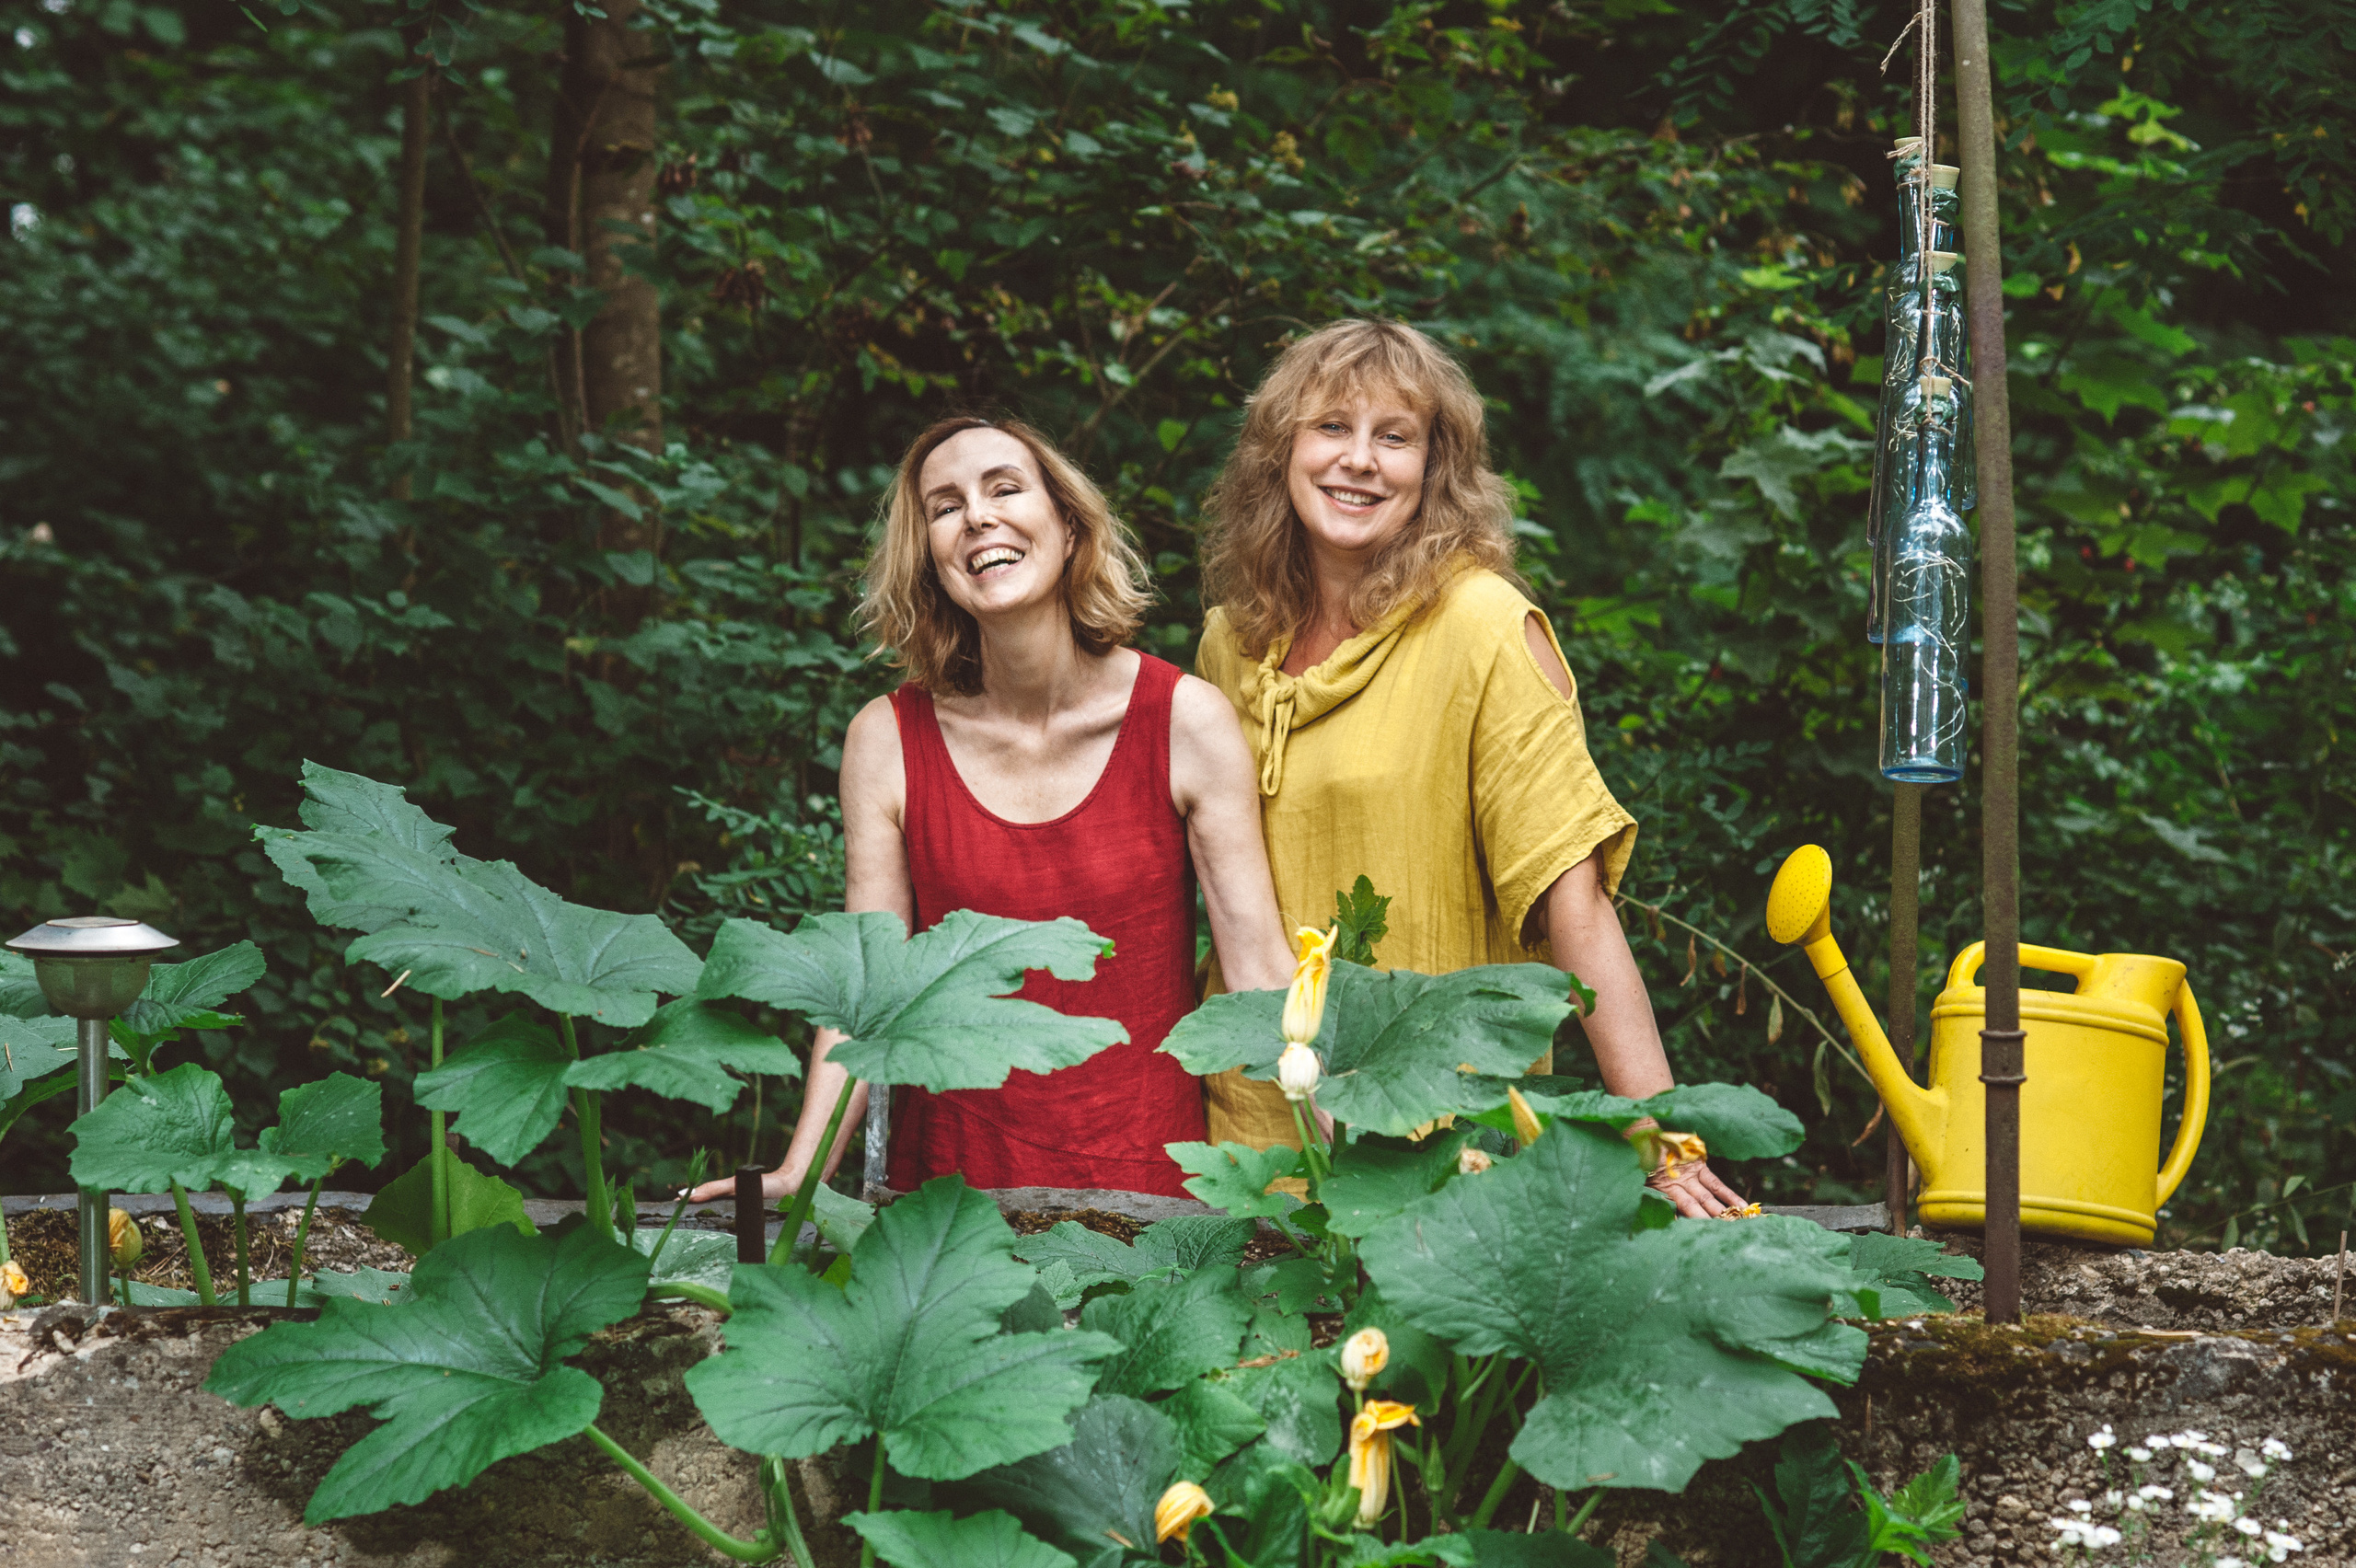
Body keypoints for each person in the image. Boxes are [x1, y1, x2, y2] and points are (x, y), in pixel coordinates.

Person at [1194, 318, 1748, 1219]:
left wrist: (1659, 1143)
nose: (1359, 460)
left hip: (1437, 1147)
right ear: (1278, 452)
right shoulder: (1229, 645)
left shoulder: (1484, 629)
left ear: (1435, 471)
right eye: (1331, 427)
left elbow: (1574, 903)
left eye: (1395, 437)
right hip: (1255, 1134)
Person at [694, 416, 1294, 1204]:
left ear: (1070, 527)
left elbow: (1258, 970)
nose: (977, 516)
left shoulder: (1185, 720)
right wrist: (804, 1170)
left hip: (1150, 1191)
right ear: (931, 562)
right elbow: (868, 988)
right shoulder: (887, 741)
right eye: (945, 507)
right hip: (944, 1202)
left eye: (1005, 489)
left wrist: (1351, 1177)